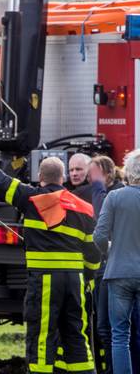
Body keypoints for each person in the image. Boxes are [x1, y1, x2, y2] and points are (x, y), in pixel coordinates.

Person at [0, 141, 100, 374]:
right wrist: (89, 278)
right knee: (76, 334)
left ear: (39, 176)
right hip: (75, 282)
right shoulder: (84, 208)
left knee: (42, 336)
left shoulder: (30, 198)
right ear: (64, 177)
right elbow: (93, 252)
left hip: (45, 281)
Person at [93, 149, 140, 374]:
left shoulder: (114, 197)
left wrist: (110, 251)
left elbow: (99, 236)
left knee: (119, 335)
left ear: (128, 173)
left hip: (118, 273)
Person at [88, 155, 125, 374]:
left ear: (107, 174)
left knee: (112, 329)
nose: (90, 178)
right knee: (103, 327)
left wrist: (98, 186)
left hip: (114, 268)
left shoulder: (115, 193)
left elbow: (101, 217)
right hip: (104, 268)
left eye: (94, 174)